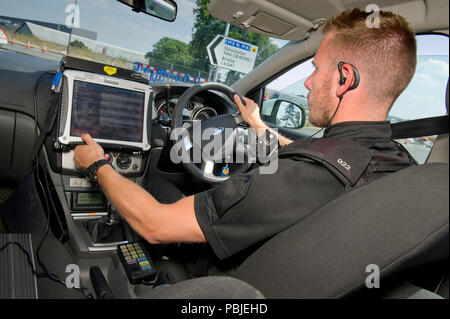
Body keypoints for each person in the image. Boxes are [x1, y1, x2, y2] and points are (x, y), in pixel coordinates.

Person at [74, 8, 417, 276]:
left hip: (220, 285)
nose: (309, 83)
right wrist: (255, 124)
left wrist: (98, 166)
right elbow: (312, 160)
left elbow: (156, 225)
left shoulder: (295, 182)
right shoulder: (400, 165)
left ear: (344, 78)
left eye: (316, 69)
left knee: (159, 190)